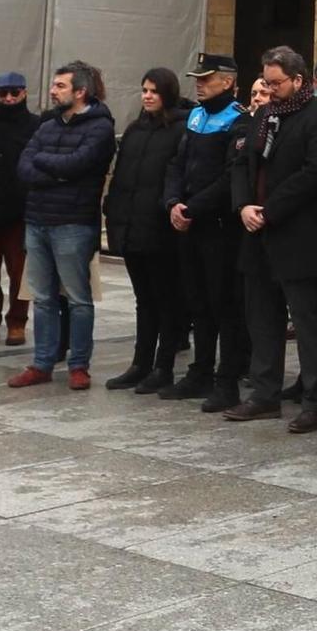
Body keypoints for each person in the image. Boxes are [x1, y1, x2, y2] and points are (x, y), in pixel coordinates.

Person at [225, 46, 317, 432]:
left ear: (298, 80)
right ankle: (264, 396)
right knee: (262, 318)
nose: (269, 89)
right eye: (266, 82)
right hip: (257, 232)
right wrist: (244, 204)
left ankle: (313, 400)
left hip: (299, 234)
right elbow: (244, 163)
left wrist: (269, 209)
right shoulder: (263, 114)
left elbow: (314, 173)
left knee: (308, 323)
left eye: (276, 83)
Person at [9, 61, 115, 390]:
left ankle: (79, 365)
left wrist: (51, 167)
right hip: (37, 220)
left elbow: (79, 164)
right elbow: (24, 165)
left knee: (77, 298)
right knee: (42, 298)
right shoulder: (48, 124)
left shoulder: (100, 127)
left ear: (80, 92)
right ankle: (42, 362)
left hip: (73, 223)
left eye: (60, 86)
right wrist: (55, 171)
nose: (52, 91)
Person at [165, 52, 249, 411]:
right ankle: (199, 372)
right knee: (196, 301)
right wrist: (171, 201)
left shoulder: (238, 121)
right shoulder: (196, 117)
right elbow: (177, 163)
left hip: (217, 226)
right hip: (189, 223)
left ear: (227, 82)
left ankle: (226, 380)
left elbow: (231, 176)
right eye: (197, 78)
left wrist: (193, 206)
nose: (199, 84)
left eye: (206, 78)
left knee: (223, 304)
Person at [103, 69, 187, 392]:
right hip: (132, 227)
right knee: (144, 300)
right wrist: (114, 212)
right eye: (144, 90)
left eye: (154, 91)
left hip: (160, 231)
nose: (147, 96)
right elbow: (123, 176)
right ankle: (140, 362)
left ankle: (163, 366)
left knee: (166, 300)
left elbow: (173, 178)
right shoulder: (136, 130)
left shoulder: (180, 130)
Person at [0, 72, 36, 346]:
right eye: (2, 93)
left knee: (20, 272)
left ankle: (17, 322)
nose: (9, 98)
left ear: (24, 93)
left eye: (14, 92)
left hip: (20, 211)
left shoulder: (35, 125)